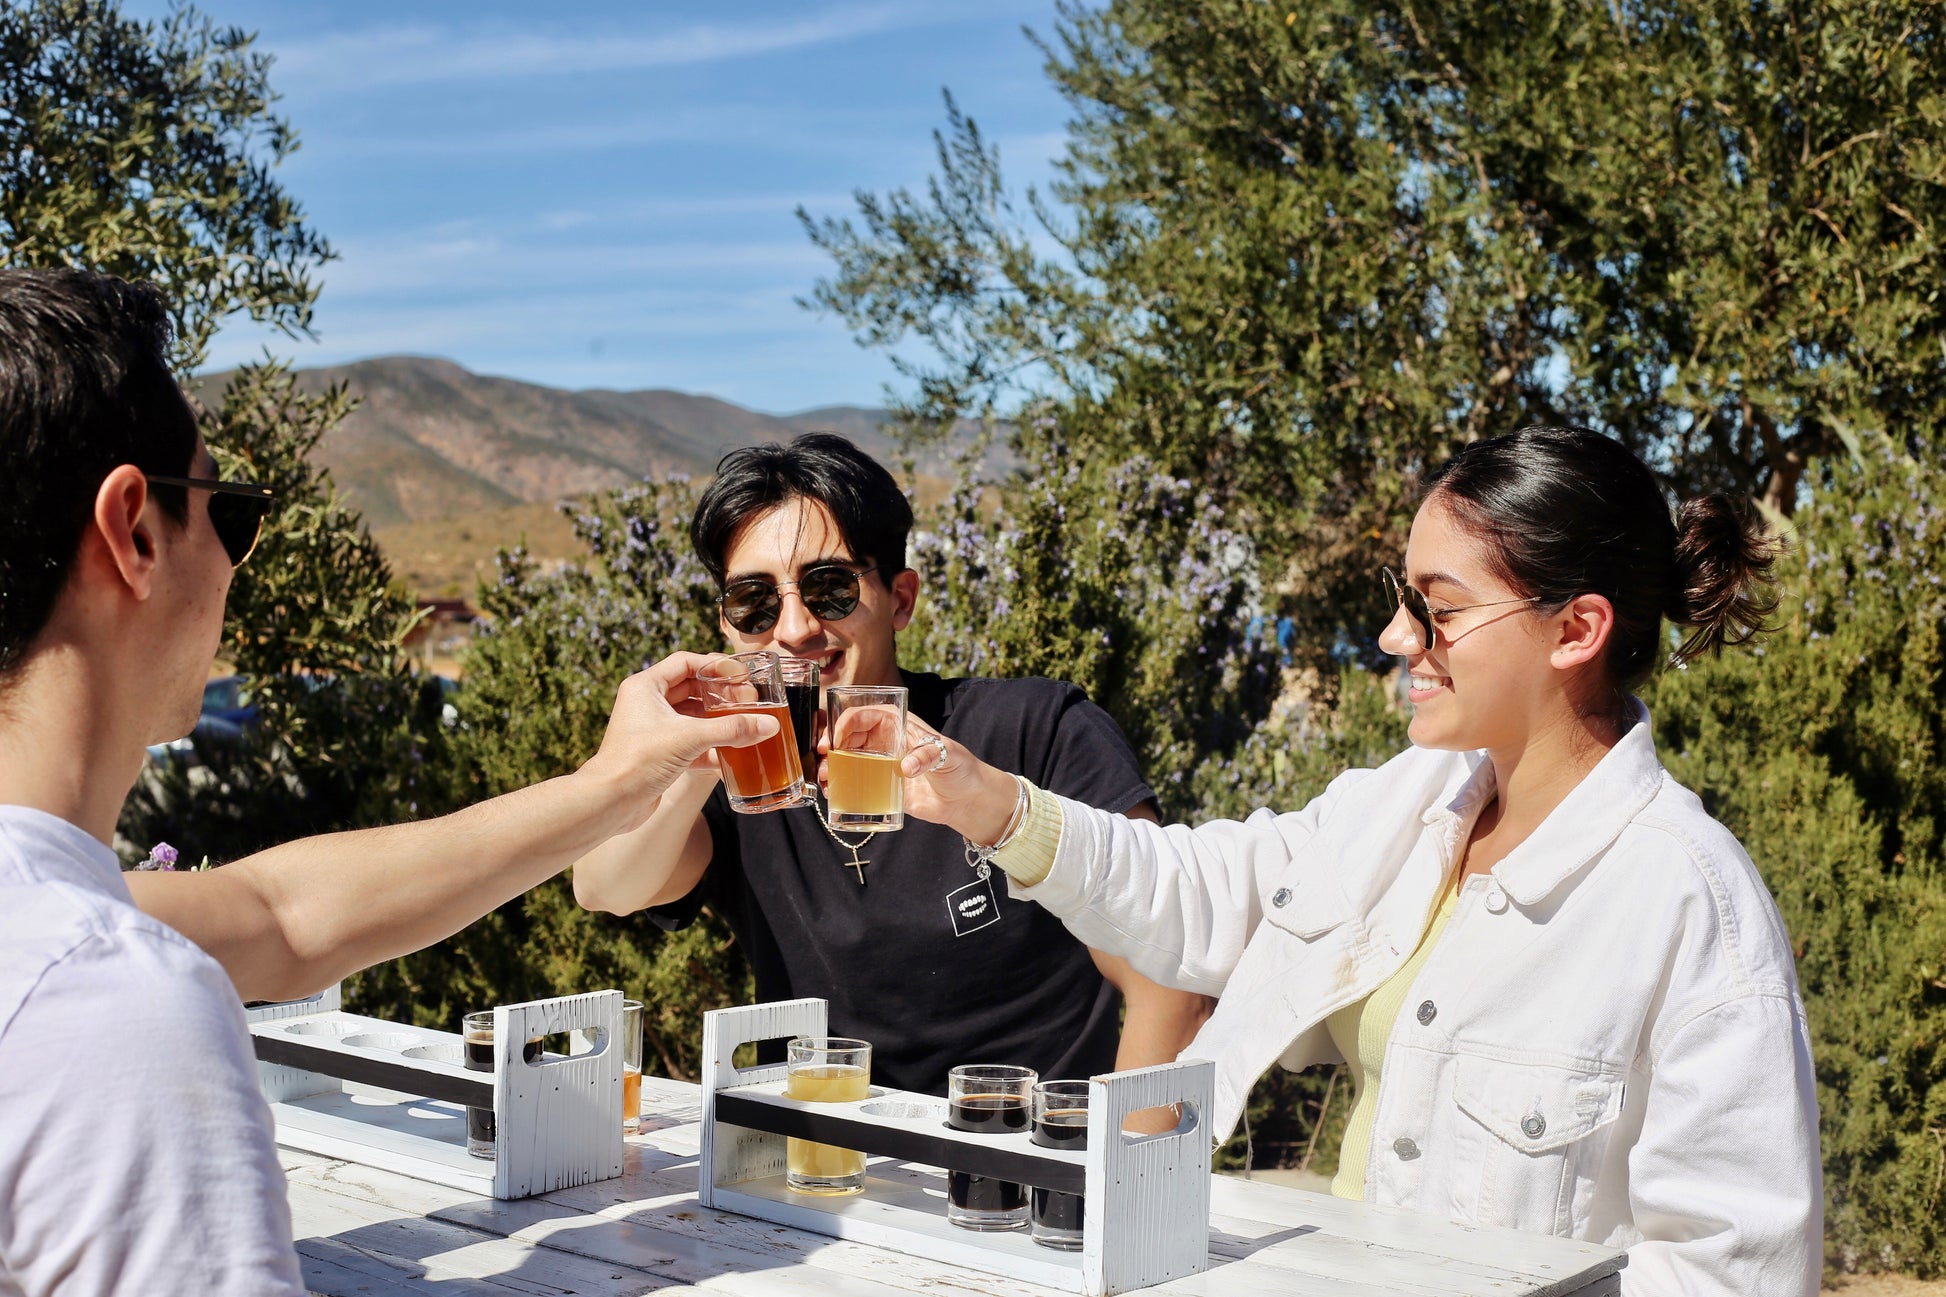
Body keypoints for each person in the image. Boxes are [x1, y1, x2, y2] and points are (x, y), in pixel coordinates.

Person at [899, 426, 1822, 1295]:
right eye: (1403, 595)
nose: (1396, 635)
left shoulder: (1692, 903)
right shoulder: (1404, 804)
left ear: (1576, 630)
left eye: (1440, 608)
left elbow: (1732, 1267)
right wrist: (988, 802)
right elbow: (1197, 892)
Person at [0, 268, 778, 1295]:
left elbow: (278, 916)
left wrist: (610, 784)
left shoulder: (51, 936)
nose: (236, 562)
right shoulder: (117, 1012)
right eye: (228, 513)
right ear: (135, 531)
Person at [572, 433, 1210, 1094]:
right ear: (729, 625)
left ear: (901, 599)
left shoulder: (1035, 729)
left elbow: (1170, 976)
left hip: (1020, 1173)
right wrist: (702, 754)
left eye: (829, 587)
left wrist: (1108, 1182)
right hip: (825, 1174)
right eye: (754, 603)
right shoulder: (745, 780)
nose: (792, 629)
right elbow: (604, 887)